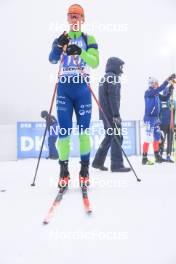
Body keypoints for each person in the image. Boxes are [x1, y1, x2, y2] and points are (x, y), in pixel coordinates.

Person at [49, 4, 99, 187]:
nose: (74, 19)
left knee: (84, 132)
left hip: (82, 90)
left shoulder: (89, 38)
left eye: (77, 16)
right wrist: (57, 46)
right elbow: (52, 59)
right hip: (64, 89)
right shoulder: (61, 38)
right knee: (64, 132)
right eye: (71, 16)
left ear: (83, 19)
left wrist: (80, 52)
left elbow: (95, 63)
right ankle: (63, 171)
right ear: (67, 19)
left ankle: (84, 171)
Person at [92, 57, 131, 172]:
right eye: (120, 66)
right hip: (111, 115)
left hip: (104, 114)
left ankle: (98, 162)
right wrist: (116, 115)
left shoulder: (104, 78)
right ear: (115, 66)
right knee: (117, 137)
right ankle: (117, 165)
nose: (121, 69)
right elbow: (113, 97)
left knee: (109, 137)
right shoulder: (113, 78)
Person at [142, 74, 175, 165]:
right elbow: (159, 89)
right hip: (149, 118)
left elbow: (165, 98)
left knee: (156, 137)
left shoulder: (156, 93)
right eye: (156, 83)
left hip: (155, 119)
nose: (158, 84)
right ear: (152, 84)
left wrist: (169, 91)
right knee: (148, 138)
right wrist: (167, 80)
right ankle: (144, 158)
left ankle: (157, 156)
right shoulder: (148, 92)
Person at [159, 84, 175, 162]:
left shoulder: (173, 102)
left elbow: (174, 113)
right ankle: (160, 155)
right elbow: (159, 111)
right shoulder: (161, 100)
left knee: (170, 140)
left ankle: (168, 156)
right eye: (166, 92)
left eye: (169, 92)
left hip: (171, 124)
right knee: (162, 140)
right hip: (162, 124)